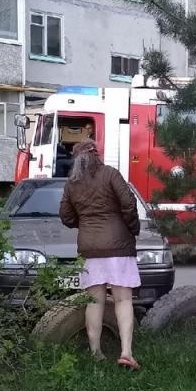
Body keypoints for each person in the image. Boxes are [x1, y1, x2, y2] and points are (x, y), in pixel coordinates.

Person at [59, 140, 142, 370]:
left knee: (94, 302)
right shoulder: (110, 174)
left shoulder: (72, 183)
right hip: (119, 247)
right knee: (123, 300)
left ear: (77, 159)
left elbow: (66, 216)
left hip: (90, 249)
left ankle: (96, 353)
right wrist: (132, 227)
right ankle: (126, 353)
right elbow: (128, 203)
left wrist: (85, 224)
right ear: (96, 154)